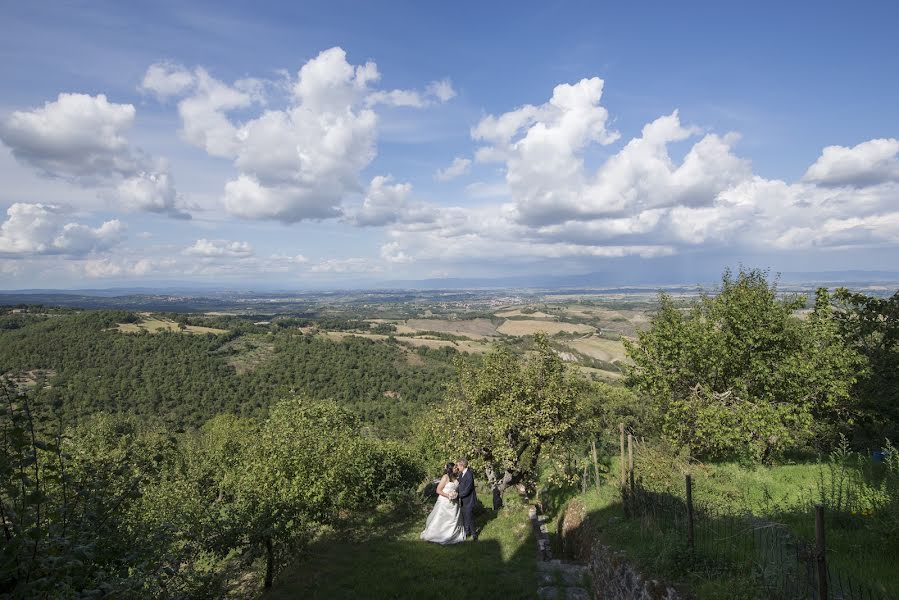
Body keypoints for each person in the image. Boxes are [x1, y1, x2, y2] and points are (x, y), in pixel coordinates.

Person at [420, 462, 466, 544]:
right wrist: (448, 495)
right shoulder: (445, 477)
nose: (457, 469)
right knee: (441, 518)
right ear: (451, 468)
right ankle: (435, 535)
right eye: (455, 467)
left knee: (453, 519)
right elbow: (438, 490)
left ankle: (452, 535)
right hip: (444, 502)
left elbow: (456, 488)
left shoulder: (456, 477)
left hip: (454, 502)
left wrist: (455, 494)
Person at [456, 457, 477, 540]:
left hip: (469, 500)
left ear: (462, 465)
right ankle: (467, 532)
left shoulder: (469, 474)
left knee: (469, 516)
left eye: (458, 465)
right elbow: (459, 486)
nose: (457, 467)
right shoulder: (461, 474)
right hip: (463, 500)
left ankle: (474, 534)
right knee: (465, 516)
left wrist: (458, 495)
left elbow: (468, 489)